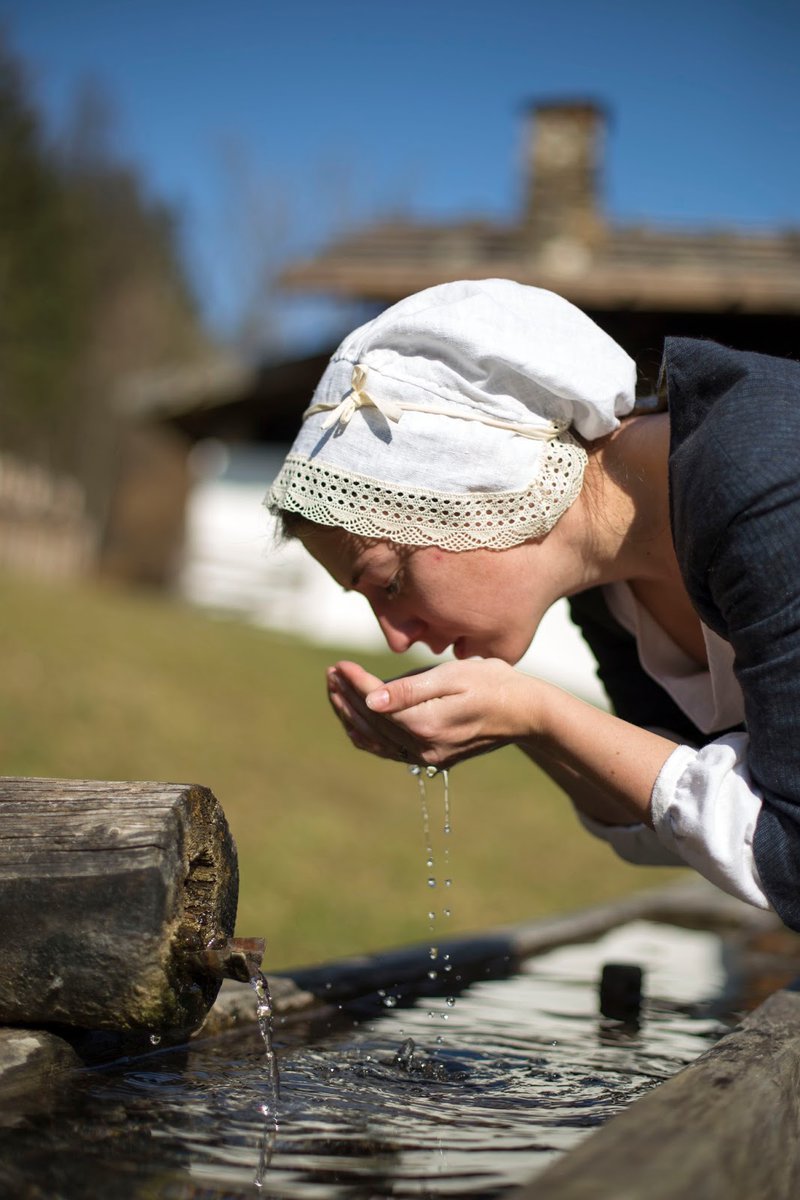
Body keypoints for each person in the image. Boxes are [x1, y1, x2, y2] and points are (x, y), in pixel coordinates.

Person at [266, 278, 800, 929]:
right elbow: (674, 820)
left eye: (390, 582)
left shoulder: (767, 481)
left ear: (471, 486)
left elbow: (788, 852)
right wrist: (511, 721)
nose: (397, 638)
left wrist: (540, 714)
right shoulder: (609, 595)